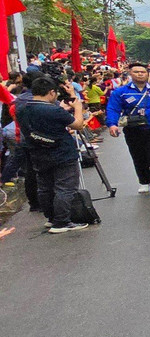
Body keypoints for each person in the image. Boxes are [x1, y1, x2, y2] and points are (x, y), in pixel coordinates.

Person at [15, 76, 88, 233]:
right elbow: (78, 125)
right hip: (61, 152)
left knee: (45, 187)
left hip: (37, 151)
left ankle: (51, 218)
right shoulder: (53, 110)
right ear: (51, 92)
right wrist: (78, 107)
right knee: (65, 188)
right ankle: (61, 222)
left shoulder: (21, 108)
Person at [106, 61, 150, 198]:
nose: (140, 74)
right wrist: (112, 124)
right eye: (136, 72)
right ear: (130, 74)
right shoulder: (121, 92)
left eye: (143, 72)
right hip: (133, 129)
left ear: (147, 74)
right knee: (138, 156)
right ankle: (144, 181)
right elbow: (113, 108)